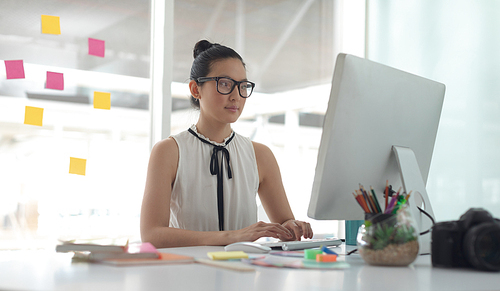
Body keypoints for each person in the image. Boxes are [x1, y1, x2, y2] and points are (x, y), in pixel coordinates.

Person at [140, 40, 313, 248]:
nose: (236, 96)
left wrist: (292, 227)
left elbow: (284, 222)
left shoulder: (260, 155)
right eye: (224, 84)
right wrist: (232, 237)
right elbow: (152, 235)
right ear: (196, 89)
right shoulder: (169, 151)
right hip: (187, 274)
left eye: (242, 86)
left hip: (245, 274)